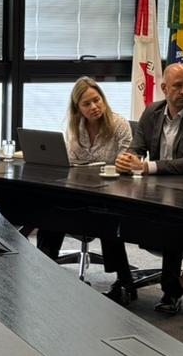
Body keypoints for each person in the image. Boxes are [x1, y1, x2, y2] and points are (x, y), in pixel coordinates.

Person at [115, 63, 183, 313]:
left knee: (171, 224)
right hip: (153, 191)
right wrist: (126, 159)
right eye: (178, 86)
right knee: (111, 215)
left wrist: (145, 167)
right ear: (164, 88)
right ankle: (124, 280)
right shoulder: (152, 112)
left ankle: (171, 292)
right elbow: (137, 148)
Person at [35, 77, 137, 304]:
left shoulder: (119, 125)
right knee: (52, 210)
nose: (94, 107)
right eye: (87, 104)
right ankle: (45, 265)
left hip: (112, 193)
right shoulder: (75, 128)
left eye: (97, 100)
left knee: (105, 216)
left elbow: (128, 163)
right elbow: (70, 162)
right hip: (81, 191)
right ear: (78, 108)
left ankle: (124, 281)